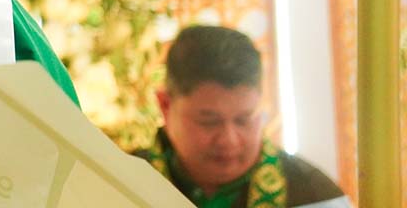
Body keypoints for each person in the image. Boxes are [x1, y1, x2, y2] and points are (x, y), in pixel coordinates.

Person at [134, 25, 349, 208]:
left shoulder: (316, 196)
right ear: (165, 105)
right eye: (209, 122)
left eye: (244, 120)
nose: (229, 140)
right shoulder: (120, 181)